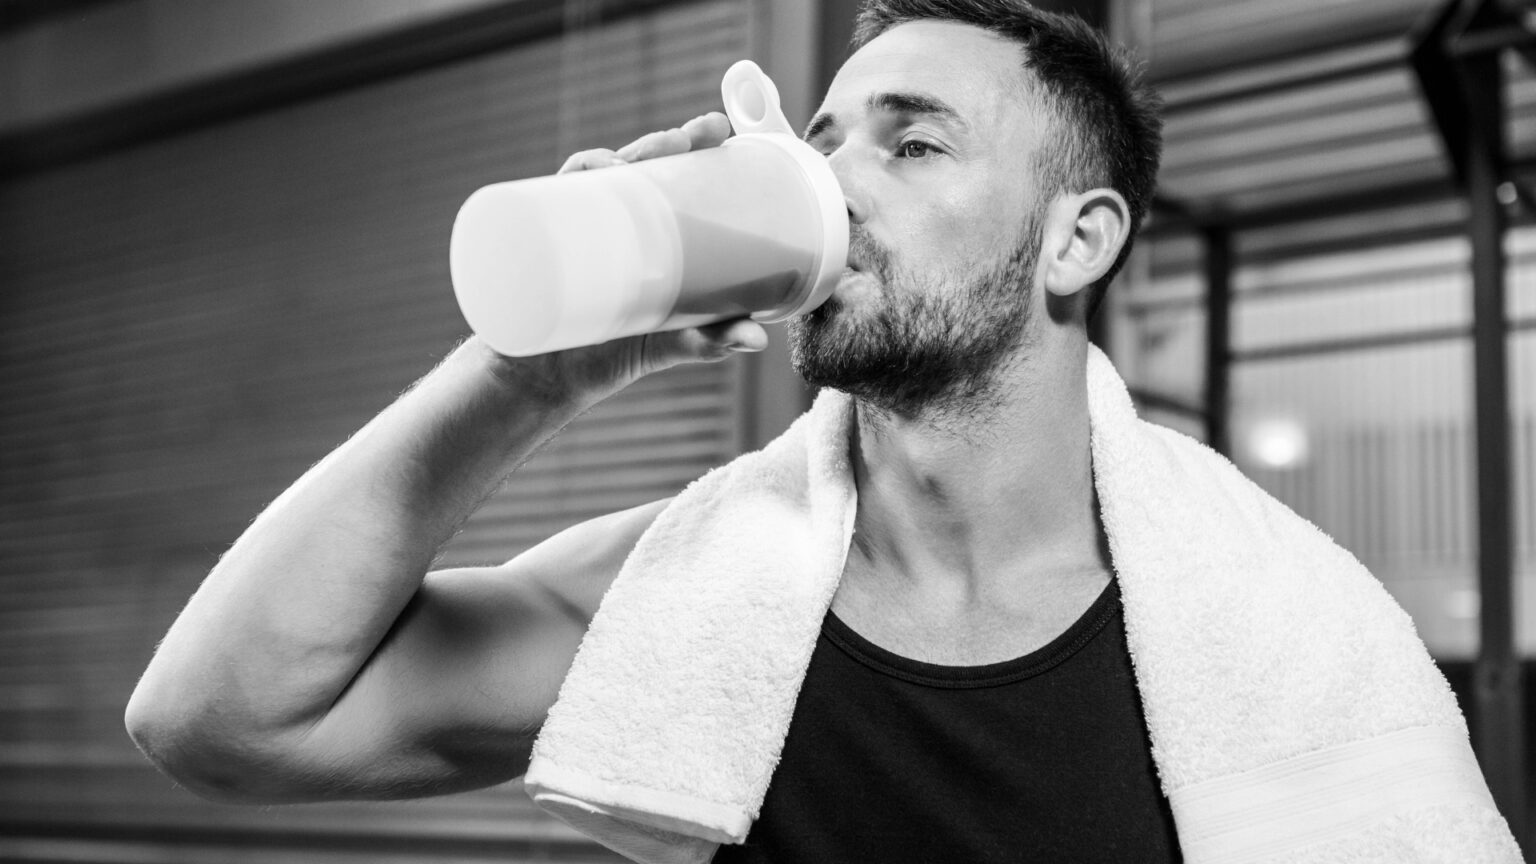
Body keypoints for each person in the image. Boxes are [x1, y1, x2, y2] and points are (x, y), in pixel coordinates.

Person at [125, 0, 1175, 859]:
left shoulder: (1247, 625)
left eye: (912, 144)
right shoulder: (691, 590)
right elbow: (220, 725)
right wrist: (530, 373)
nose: (840, 185)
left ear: (1077, 241)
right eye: (822, 148)